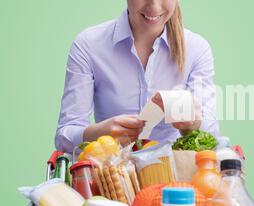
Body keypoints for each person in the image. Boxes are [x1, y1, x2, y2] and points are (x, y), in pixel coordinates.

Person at [55, 0, 219, 153]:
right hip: (113, 175)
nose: (154, 7)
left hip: (175, 178)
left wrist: (192, 124)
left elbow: (211, 135)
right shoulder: (88, 46)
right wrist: (100, 133)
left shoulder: (197, 49)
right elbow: (65, 135)